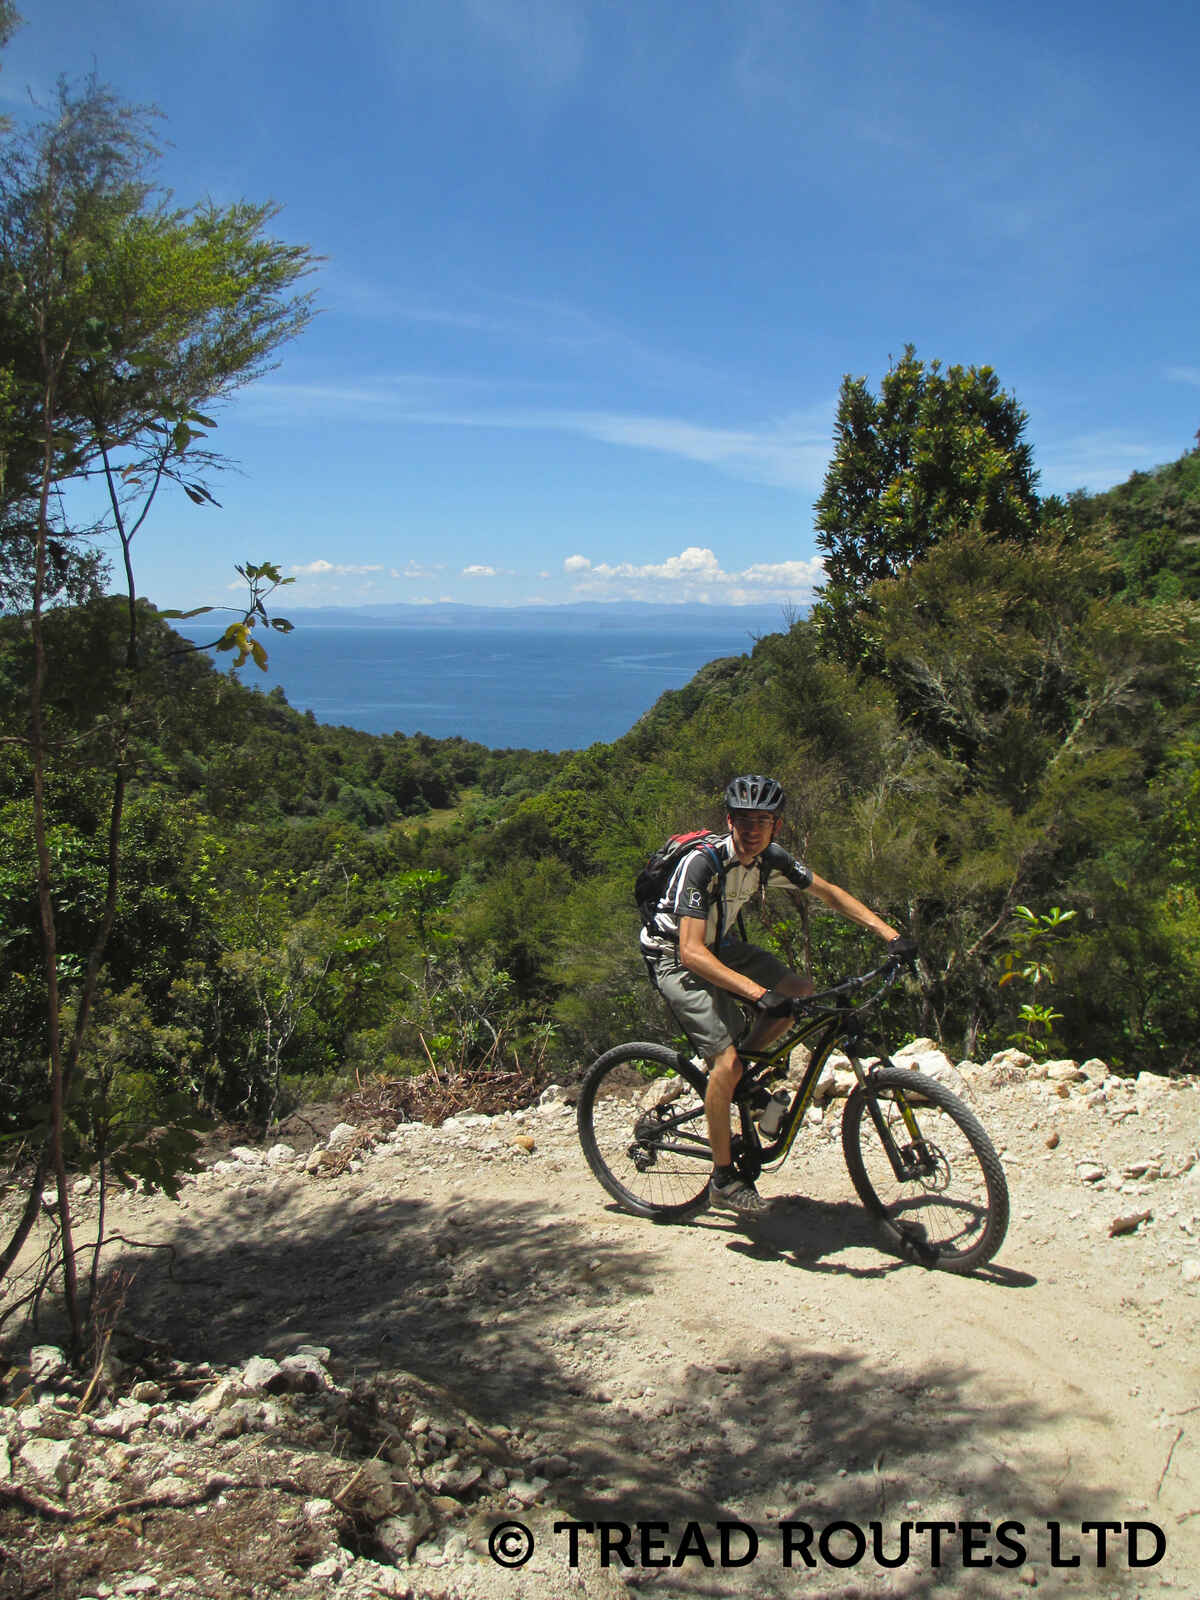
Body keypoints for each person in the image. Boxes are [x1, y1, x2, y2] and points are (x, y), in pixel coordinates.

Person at [640, 773, 907, 1216]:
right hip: (674, 954)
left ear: (776, 826)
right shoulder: (702, 864)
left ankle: (739, 1080)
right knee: (726, 1062)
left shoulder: (770, 858)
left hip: (718, 943)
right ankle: (723, 1179)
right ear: (729, 821)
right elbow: (690, 952)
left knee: (798, 992)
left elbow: (830, 893)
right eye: (743, 820)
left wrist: (890, 935)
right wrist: (758, 993)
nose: (752, 830)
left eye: (762, 821)